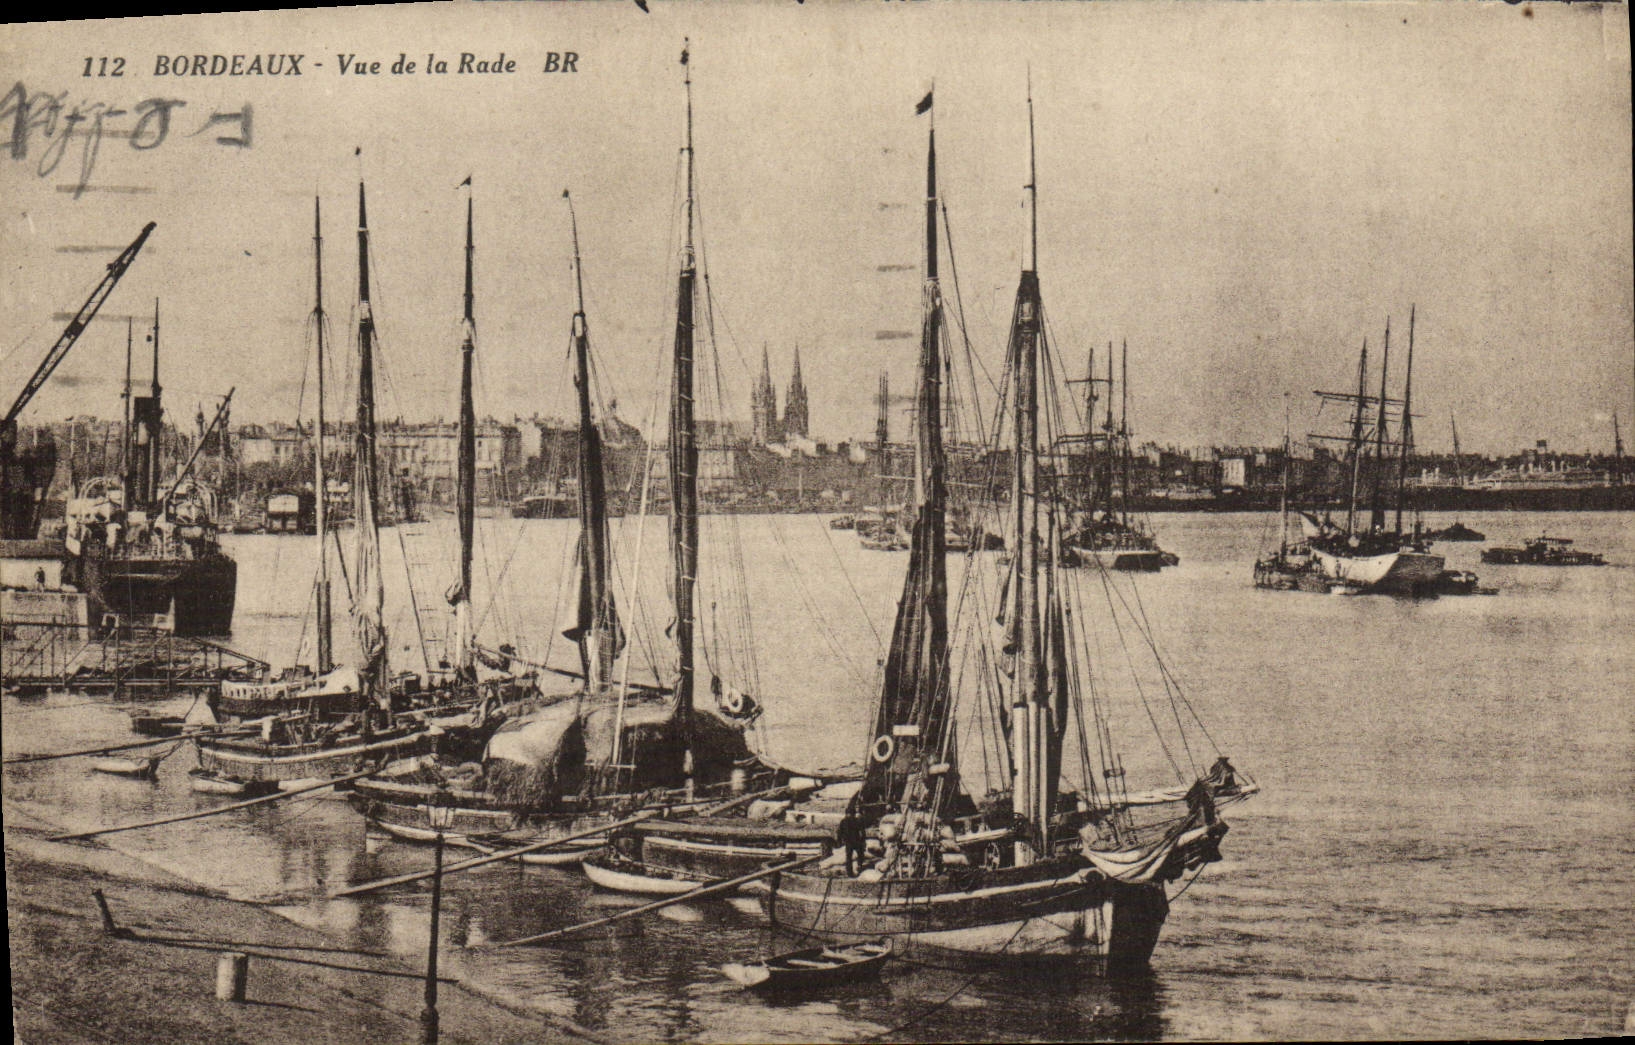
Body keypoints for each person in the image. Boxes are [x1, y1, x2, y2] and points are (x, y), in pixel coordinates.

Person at [837, 799, 867, 877]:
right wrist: (863, 840)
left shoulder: (843, 821)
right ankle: (859, 868)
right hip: (856, 841)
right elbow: (862, 832)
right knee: (860, 855)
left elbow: (839, 832)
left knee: (849, 858)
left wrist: (839, 841)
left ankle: (850, 873)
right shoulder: (857, 820)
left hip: (849, 842)